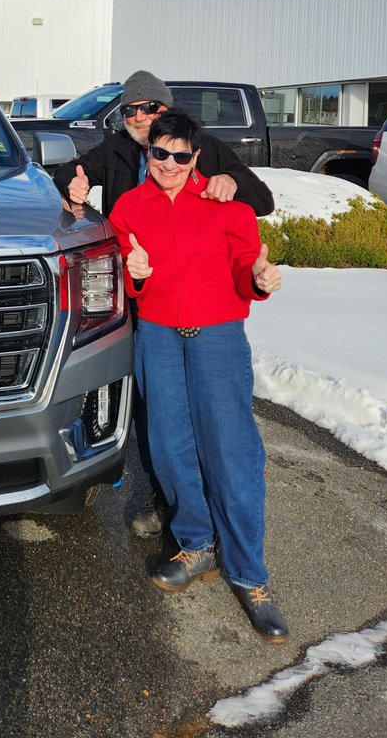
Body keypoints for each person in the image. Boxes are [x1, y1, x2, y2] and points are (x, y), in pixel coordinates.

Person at [53, 71, 275, 538]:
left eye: (149, 107)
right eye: (130, 109)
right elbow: (69, 175)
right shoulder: (114, 150)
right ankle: (166, 497)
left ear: (167, 112)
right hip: (139, 300)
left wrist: (230, 181)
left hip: (198, 305)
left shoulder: (203, 148)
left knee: (213, 417)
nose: (139, 117)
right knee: (156, 412)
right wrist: (72, 186)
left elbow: (262, 200)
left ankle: (218, 513)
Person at [108, 108, 288, 643]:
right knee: (167, 444)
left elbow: (243, 264)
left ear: (195, 157)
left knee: (231, 449)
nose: (168, 163)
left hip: (218, 336)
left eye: (180, 155)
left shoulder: (225, 205)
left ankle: (250, 576)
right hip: (158, 336)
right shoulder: (127, 207)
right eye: (159, 152)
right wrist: (131, 273)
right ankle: (196, 541)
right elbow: (119, 269)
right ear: (149, 152)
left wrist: (257, 275)